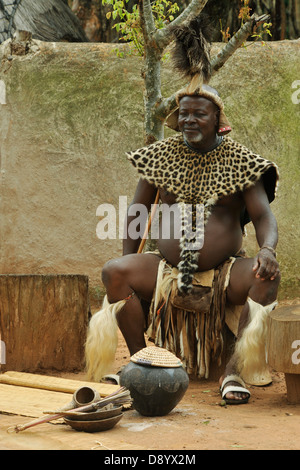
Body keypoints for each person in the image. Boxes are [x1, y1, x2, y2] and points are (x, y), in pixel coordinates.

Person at [85, 81, 280, 405]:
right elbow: (137, 212)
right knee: (115, 272)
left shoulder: (242, 161)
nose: (189, 119)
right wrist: (128, 259)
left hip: (226, 270)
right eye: (184, 113)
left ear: (217, 118)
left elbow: (263, 216)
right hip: (166, 268)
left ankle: (232, 371)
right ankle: (141, 363)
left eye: (199, 113)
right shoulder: (161, 158)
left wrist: (266, 250)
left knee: (266, 276)